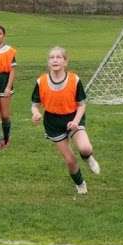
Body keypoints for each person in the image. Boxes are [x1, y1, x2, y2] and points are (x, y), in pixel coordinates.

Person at [30, 47, 101, 194]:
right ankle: (80, 183)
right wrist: (36, 113)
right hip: (53, 122)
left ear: (65, 62)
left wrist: (75, 121)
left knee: (85, 148)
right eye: (51, 57)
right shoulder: (41, 81)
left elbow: (82, 105)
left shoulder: (74, 80)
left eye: (58, 57)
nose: (55, 60)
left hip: (73, 117)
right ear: (48, 62)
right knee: (70, 160)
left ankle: (88, 158)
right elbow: (34, 105)